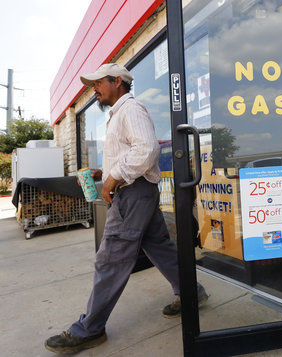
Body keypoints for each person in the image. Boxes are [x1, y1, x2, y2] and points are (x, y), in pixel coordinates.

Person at [45, 63, 208, 354]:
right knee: (159, 246)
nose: (94, 89)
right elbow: (131, 153)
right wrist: (102, 171)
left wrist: (113, 178)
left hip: (132, 195)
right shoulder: (120, 113)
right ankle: (191, 293)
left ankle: (89, 329)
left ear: (116, 81)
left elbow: (146, 150)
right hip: (138, 193)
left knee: (111, 258)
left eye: (98, 83)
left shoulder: (131, 109)